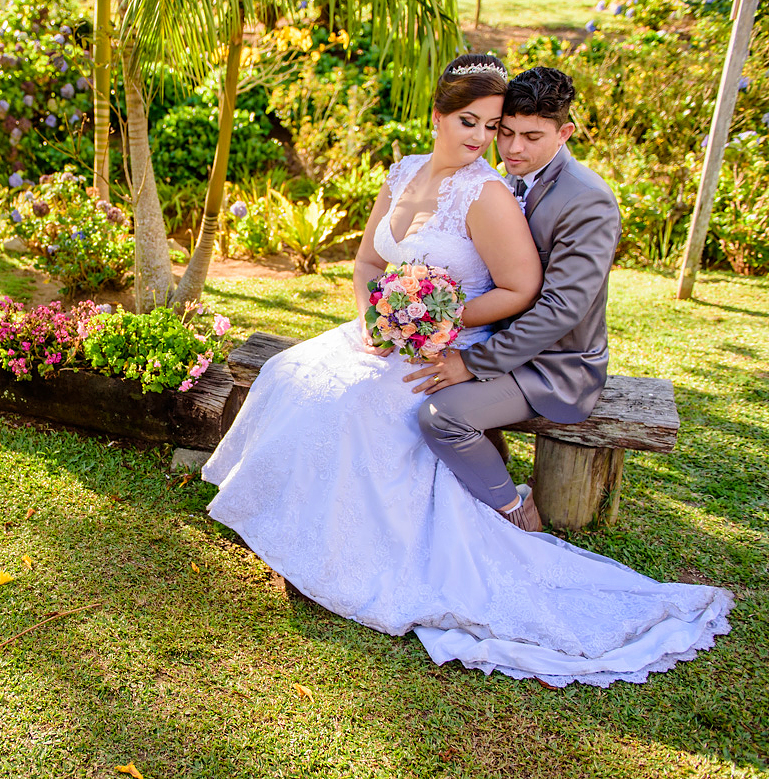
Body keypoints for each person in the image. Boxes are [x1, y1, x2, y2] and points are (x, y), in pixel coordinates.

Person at [201, 55, 732, 687]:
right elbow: (370, 261)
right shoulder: (405, 174)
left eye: (507, 129)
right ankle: (300, 533)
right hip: (413, 334)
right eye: (482, 125)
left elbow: (540, 298)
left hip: (532, 357)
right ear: (438, 118)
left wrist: (438, 331)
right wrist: (382, 318)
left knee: (369, 405)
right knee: (293, 373)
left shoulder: (537, 194)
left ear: (564, 133)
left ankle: (432, 533)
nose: (495, 142)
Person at [405, 67, 619, 533]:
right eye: (505, 133)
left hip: (554, 366)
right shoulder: (499, 181)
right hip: (491, 342)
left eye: (532, 136)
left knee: (441, 417)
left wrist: (473, 362)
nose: (514, 149)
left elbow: (563, 309)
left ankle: (516, 511)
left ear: (564, 133)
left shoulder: (587, 201)